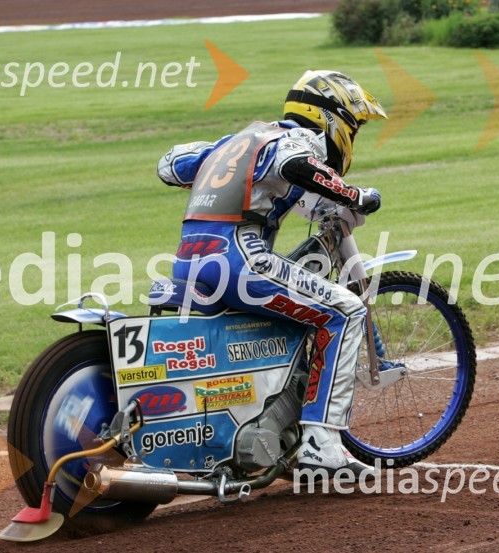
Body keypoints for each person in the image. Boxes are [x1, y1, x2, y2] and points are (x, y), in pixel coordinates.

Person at [157, 70, 387, 477]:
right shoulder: (299, 141)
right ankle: (322, 443)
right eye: (355, 127)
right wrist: (355, 195)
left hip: (189, 258)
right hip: (238, 259)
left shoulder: (243, 140)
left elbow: (170, 165)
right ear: (332, 119)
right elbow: (297, 165)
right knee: (346, 311)